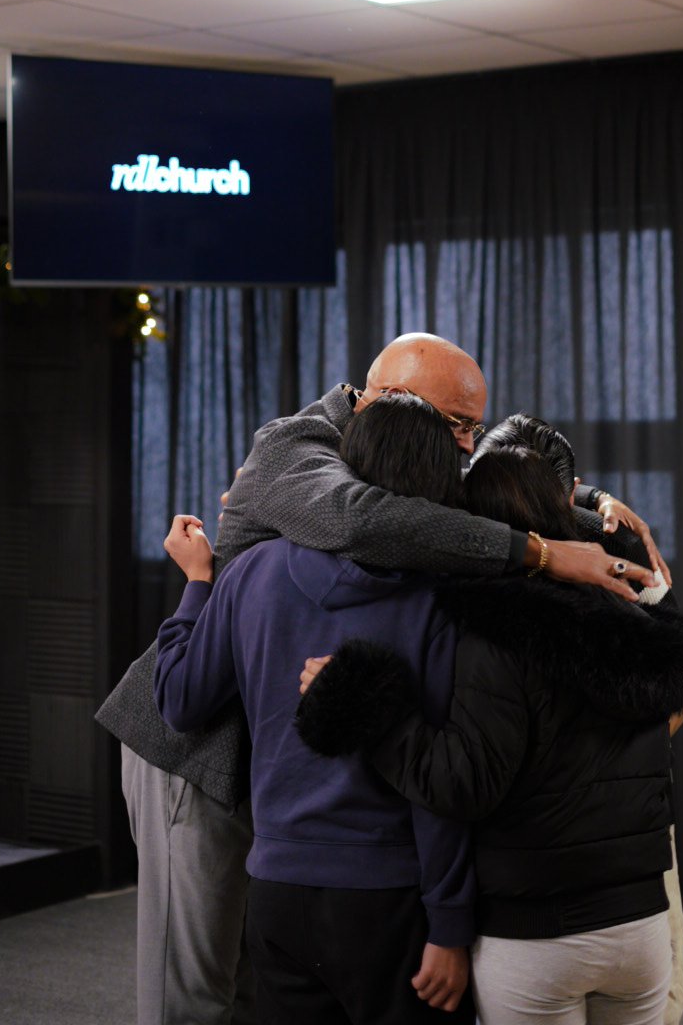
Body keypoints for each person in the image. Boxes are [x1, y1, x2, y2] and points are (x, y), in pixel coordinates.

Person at [97, 334, 668, 1025]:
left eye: (474, 428)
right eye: (457, 425)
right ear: (380, 401)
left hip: (282, 752)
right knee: (192, 990)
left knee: (257, 984)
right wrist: (544, 552)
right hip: (192, 741)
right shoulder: (292, 447)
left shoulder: (412, 455)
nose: (466, 447)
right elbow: (365, 520)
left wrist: (595, 512)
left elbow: (470, 500)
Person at [297, 424, 683, 1025]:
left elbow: (463, 783)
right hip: (641, 931)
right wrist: (596, 503)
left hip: (537, 937)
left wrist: (371, 707)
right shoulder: (637, 613)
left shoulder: (492, 629)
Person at [153, 394, 477, 1024]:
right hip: (392, 901)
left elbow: (181, 700)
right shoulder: (439, 602)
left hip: (277, 892)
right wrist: (450, 924)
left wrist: (197, 583)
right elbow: (436, 785)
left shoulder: (249, 573)